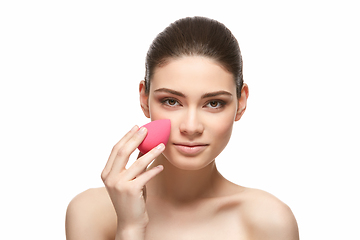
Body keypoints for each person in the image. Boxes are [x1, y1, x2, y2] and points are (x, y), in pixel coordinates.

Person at [65, 16, 299, 240]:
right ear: (144, 99)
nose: (191, 127)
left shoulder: (269, 221)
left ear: (241, 103)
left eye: (214, 103)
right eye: (171, 101)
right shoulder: (90, 213)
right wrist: (130, 228)